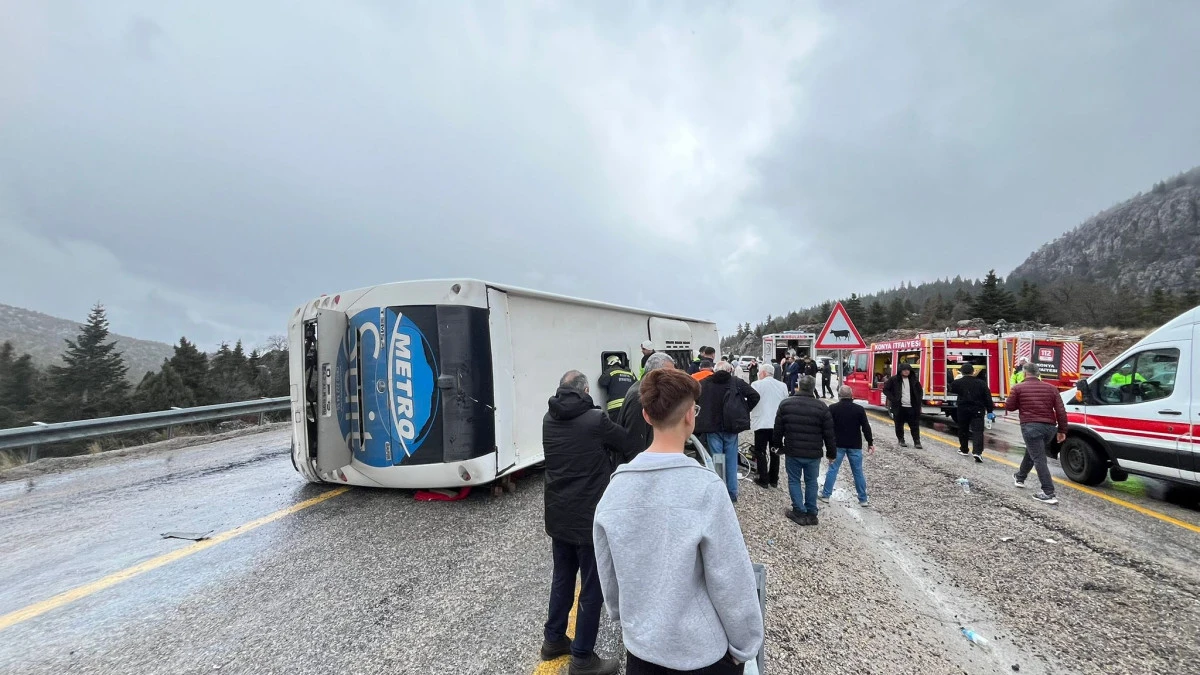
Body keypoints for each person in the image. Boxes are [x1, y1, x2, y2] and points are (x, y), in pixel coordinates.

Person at [593, 369, 764, 674]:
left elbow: (608, 573)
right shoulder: (706, 488)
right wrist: (745, 644)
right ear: (689, 415)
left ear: (646, 416)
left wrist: (627, 617)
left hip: (642, 651)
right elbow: (730, 578)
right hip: (702, 653)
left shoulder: (615, 489)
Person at [540, 371, 629, 674]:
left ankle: (553, 639)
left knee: (563, 578)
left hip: (559, 514)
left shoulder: (548, 419)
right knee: (592, 587)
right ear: (585, 390)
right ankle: (582, 657)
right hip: (588, 518)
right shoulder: (595, 419)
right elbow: (624, 441)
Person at [773, 375, 835, 526]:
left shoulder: (786, 404)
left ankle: (799, 511)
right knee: (811, 481)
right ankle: (812, 513)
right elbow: (829, 433)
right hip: (813, 452)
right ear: (813, 388)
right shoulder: (822, 407)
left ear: (798, 386)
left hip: (793, 450)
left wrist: (777, 446)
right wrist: (831, 453)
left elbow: (778, 429)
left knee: (794, 480)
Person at [695, 361, 760, 502]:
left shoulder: (704, 383)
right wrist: (744, 410)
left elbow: (694, 400)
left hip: (712, 426)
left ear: (714, 370)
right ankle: (732, 492)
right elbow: (755, 396)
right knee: (731, 459)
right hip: (731, 426)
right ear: (730, 370)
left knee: (718, 459)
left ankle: (720, 491)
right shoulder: (736, 382)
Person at [1006, 361, 1068, 505]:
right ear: (1038, 373)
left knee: (1039, 458)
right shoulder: (1052, 388)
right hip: (1049, 428)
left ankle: (1048, 492)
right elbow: (1061, 411)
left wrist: (1020, 401)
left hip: (1030, 426)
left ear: (1024, 373)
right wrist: (1062, 430)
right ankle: (1020, 477)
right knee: (1033, 452)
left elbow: (1010, 406)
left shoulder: (1018, 388)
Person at [819, 386, 874, 507]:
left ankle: (826, 495)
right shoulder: (859, 409)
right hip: (855, 445)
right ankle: (863, 499)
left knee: (833, 469)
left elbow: (827, 427)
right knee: (858, 472)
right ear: (851, 395)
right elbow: (866, 427)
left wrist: (825, 442)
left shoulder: (832, 408)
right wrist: (870, 442)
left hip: (837, 444)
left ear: (839, 395)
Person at [618, 352, 676, 457]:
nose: (672, 378)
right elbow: (635, 440)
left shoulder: (647, 391)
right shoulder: (640, 396)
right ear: (655, 373)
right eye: (669, 374)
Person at [750, 363, 788, 488]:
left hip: (761, 423)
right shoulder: (782, 386)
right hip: (777, 424)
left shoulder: (756, 384)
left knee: (760, 451)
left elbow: (752, 401)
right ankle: (774, 479)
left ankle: (763, 478)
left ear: (763, 373)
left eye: (759, 372)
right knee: (775, 451)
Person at [949, 362, 994, 462]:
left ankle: (964, 449)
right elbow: (987, 397)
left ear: (961, 372)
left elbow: (951, 389)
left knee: (963, 429)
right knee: (978, 431)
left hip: (963, 409)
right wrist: (990, 411)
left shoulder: (957, 383)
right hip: (977, 409)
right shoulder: (981, 383)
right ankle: (977, 452)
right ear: (973, 372)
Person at [882, 363, 923, 448]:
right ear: (900, 371)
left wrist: (918, 401)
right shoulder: (894, 379)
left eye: (908, 370)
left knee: (914, 425)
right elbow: (885, 389)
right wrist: (893, 399)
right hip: (899, 407)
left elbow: (919, 391)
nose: (906, 371)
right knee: (899, 425)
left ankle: (917, 442)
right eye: (904, 370)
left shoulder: (914, 380)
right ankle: (901, 440)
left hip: (912, 407)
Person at [598, 355, 637, 419]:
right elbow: (637, 384)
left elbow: (601, 382)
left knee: (616, 425)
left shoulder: (610, 371)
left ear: (610, 363)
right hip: (630, 406)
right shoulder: (630, 372)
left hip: (615, 408)